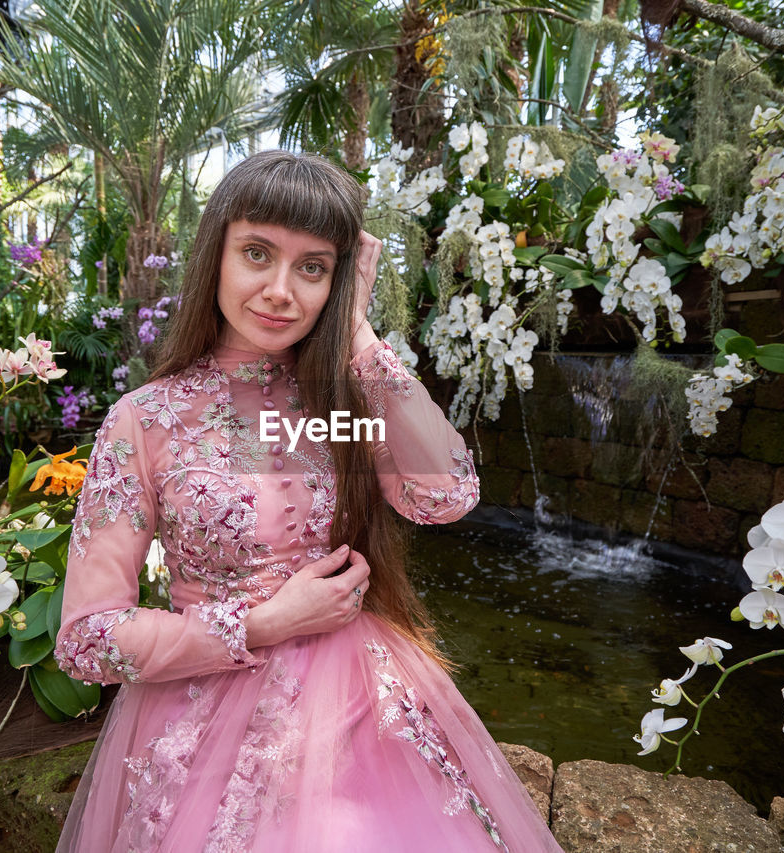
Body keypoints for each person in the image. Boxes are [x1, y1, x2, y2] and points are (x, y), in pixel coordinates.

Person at [53, 150, 564, 852]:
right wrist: (261, 624)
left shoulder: (331, 410)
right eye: (257, 253)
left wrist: (358, 335)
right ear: (217, 255)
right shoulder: (146, 421)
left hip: (359, 705)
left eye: (313, 267)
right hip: (202, 717)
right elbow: (86, 638)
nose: (280, 290)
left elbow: (447, 495)